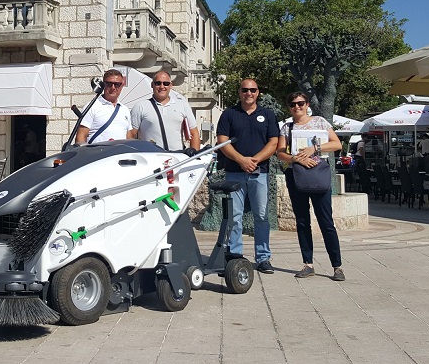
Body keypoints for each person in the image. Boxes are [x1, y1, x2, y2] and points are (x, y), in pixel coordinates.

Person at [276, 92, 345, 282]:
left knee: (326, 221)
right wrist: (295, 159)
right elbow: (280, 153)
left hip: (319, 174)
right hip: (297, 176)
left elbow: (336, 144)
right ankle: (308, 264)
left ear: (307, 104)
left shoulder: (320, 122)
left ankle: (337, 266)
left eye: (300, 103)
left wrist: (314, 148)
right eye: (292, 104)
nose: (296, 107)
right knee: (302, 221)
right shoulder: (287, 127)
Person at [216, 78, 278, 274]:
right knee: (234, 217)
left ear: (258, 92)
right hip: (234, 172)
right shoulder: (229, 114)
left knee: (261, 216)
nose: (248, 93)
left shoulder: (267, 115)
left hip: (259, 173)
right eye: (245, 90)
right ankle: (234, 256)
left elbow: (273, 142)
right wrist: (241, 160)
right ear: (239, 92)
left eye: (252, 90)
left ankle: (263, 258)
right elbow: (222, 141)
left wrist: (255, 160)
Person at [128, 70, 201, 152]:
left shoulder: (182, 105)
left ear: (171, 85)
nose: (162, 87)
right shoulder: (140, 106)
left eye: (166, 83)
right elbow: (130, 135)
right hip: (151, 156)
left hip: (177, 156)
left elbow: (194, 134)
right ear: (152, 85)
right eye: (158, 83)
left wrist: (195, 156)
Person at [75, 68, 131, 144]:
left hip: (119, 151)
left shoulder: (125, 110)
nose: (113, 87)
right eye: (109, 84)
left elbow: (128, 137)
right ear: (104, 84)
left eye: (117, 84)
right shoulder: (92, 106)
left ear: (122, 86)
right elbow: (81, 137)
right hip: (97, 151)